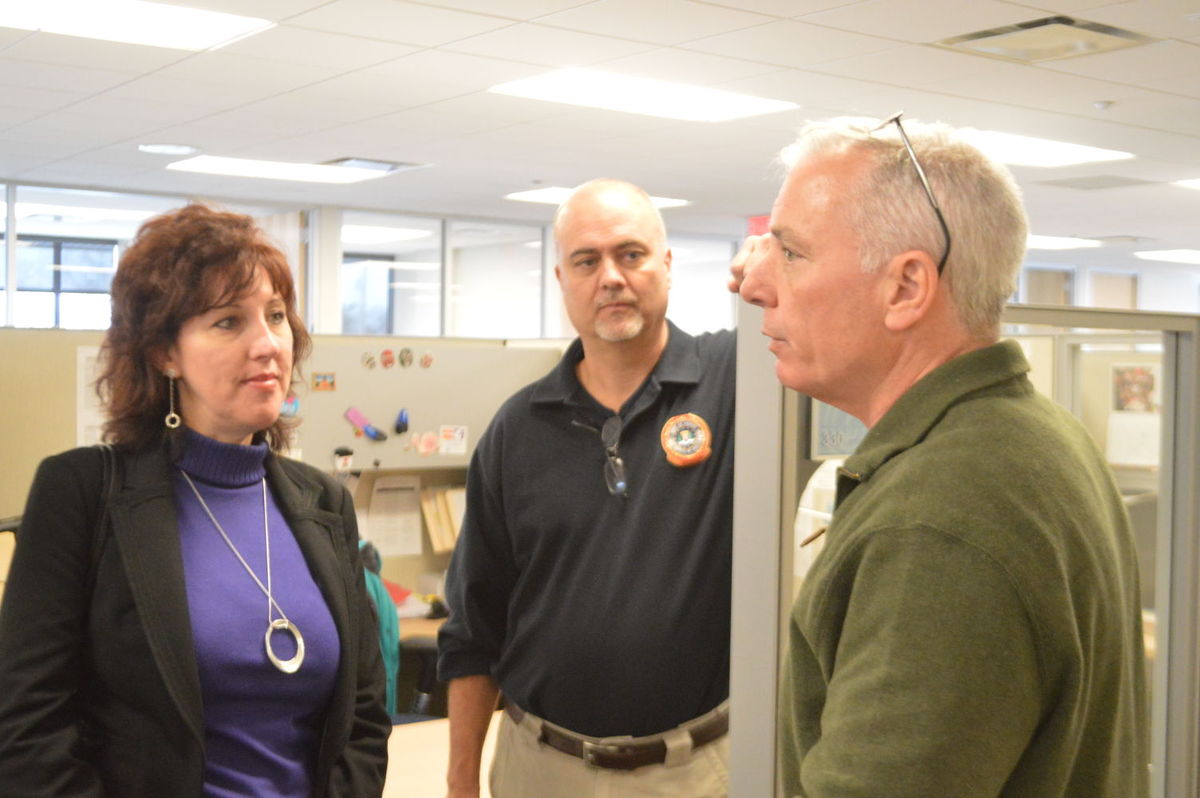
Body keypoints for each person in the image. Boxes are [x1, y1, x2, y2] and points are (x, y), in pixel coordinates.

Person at [732, 116, 1148, 797]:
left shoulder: (936, 521)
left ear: (905, 289)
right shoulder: (1037, 438)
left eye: (792, 255)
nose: (754, 287)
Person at [0, 204, 391, 796]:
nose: (268, 345)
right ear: (164, 353)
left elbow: (363, 716)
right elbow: (27, 725)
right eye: (228, 322)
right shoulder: (82, 494)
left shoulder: (324, 502)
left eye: (277, 316)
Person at [438, 178, 736, 798]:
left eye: (631, 254)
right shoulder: (517, 429)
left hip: (697, 773)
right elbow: (473, 629)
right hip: (539, 769)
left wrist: (776, 264)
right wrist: (461, 777)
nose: (611, 277)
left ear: (668, 265)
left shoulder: (735, 385)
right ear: (562, 280)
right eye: (586, 260)